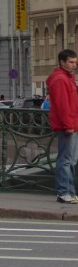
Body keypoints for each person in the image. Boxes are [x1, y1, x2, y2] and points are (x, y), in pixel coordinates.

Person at [46, 48, 78, 204]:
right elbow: (63, 106)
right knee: (66, 160)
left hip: (72, 124)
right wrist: (68, 125)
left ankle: (70, 192)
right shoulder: (60, 79)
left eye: (75, 62)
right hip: (68, 126)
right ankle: (63, 192)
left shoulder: (67, 78)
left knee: (71, 160)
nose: (74, 65)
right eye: (71, 62)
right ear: (62, 62)